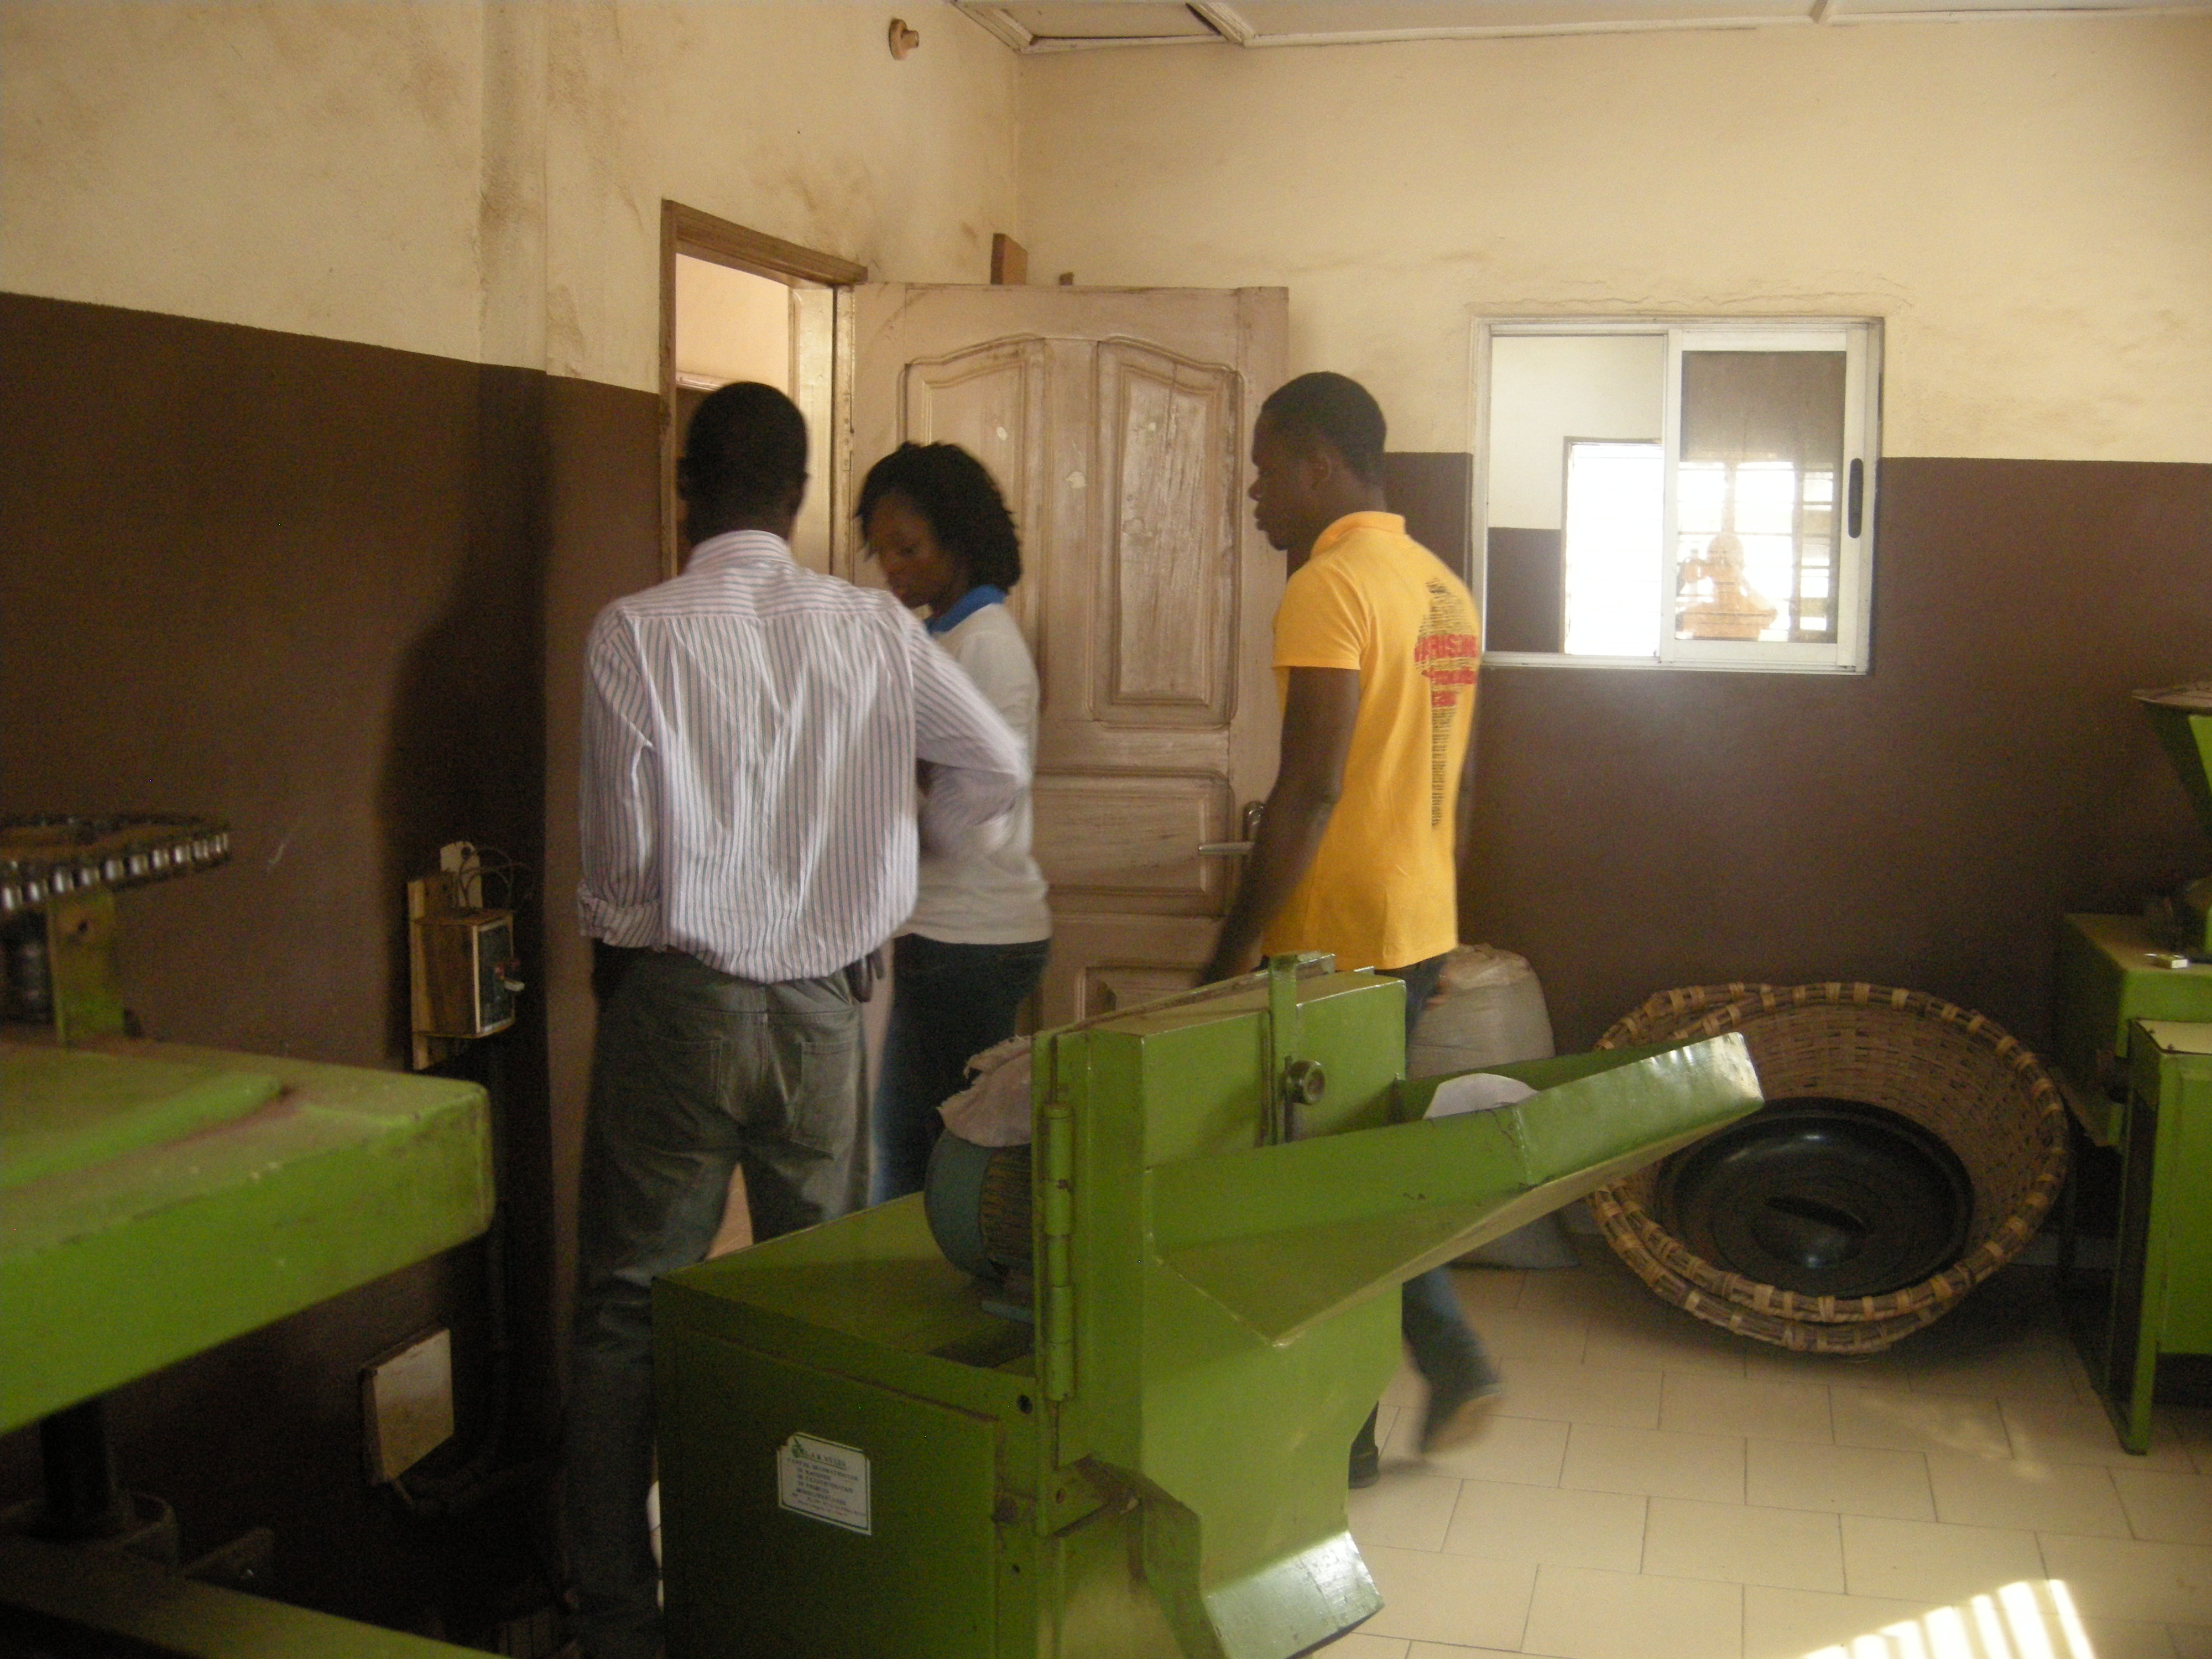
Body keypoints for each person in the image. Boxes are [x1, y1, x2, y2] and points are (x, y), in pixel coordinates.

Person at [566, 383, 1027, 1659]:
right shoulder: (872, 627)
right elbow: (994, 765)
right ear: (801, 494)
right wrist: (897, 852)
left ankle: (618, 1621)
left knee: (626, 1311)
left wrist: (627, 978)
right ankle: (796, 1606)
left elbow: (618, 866)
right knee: (813, 1323)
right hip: (827, 1010)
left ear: (684, 487)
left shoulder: (633, 633)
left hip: (675, 999)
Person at [1198, 371, 1496, 1488]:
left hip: (1331, 942)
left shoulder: (1328, 588)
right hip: (1412, 925)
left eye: (1265, 468)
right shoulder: (1442, 588)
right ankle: (1399, 1398)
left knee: (1324, 1194)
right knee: (1350, 1175)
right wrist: (1441, 915)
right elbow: (1458, 784)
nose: (1255, 493)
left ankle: (1380, 1412)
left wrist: (1231, 950)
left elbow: (1311, 789)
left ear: (1319, 465)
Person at [859, 442, 1052, 1202]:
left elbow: (975, 815)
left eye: (908, 549)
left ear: (959, 541)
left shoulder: (986, 646)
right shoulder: (940, 637)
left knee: (922, 1158)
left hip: (968, 937)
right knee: (912, 1145)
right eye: (881, 551)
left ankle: (930, 1273)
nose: (891, 569)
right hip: (946, 929)